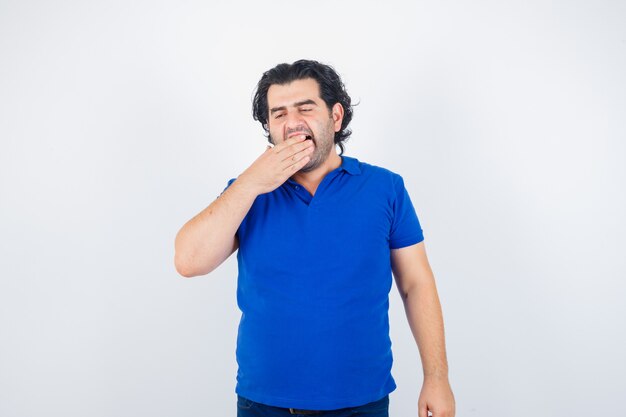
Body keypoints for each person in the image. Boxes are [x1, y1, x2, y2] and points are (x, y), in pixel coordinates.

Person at [174, 59, 455, 417]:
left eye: (305, 109)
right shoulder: (246, 193)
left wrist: (437, 377)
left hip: (361, 403)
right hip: (264, 404)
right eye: (278, 114)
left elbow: (416, 283)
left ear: (336, 117)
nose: (292, 123)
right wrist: (252, 181)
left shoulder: (386, 188)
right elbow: (188, 261)